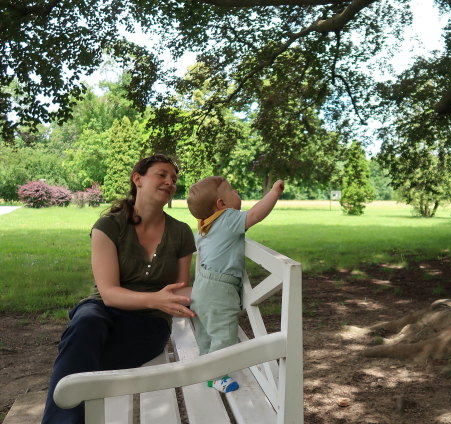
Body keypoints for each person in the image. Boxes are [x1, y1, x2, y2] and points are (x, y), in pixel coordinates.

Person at [42, 154, 197, 424]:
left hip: (149, 323)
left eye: (174, 178)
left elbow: (181, 289)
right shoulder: (109, 226)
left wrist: (219, 292)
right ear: (138, 179)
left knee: (79, 364)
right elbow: (110, 294)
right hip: (104, 308)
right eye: (162, 174)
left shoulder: (181, 231)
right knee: (86, 323)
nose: (170, 182)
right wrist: (155, 299)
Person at [186, 176, 284, 392]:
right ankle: (219, 376)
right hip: (219, 289)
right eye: (233, 191)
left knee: (205, 332)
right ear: (222, 204)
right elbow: (256, 214)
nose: (237, 192)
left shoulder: (204, 227)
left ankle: (207, 369)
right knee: (224, 333)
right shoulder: (229, 218)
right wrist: (274, 193)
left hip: (201, 286)